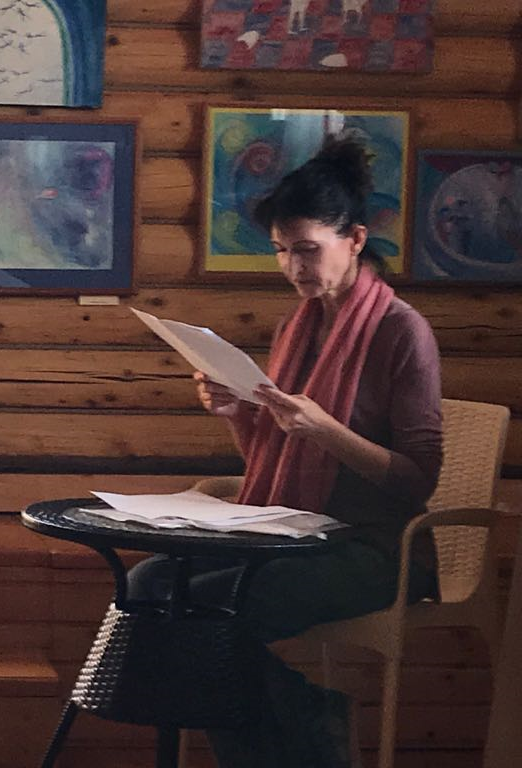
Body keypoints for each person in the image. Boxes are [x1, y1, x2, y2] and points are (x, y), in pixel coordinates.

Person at [127, 137, 443, 767]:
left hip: (376, 548)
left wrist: (326, 429)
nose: (293, 267)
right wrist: (236, 414)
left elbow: (418, 481)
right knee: (146, 584)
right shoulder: (296, 328)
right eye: (280, 250)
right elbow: (269, 456)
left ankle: (301, 731)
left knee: (214, 615)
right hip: (291, 533)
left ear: (355, 239)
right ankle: (308, 719)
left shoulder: (402, 331)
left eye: (307, 249)